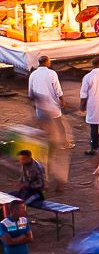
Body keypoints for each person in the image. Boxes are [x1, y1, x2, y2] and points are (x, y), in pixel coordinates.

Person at [26, 57, 68, 193]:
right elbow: (58, 89)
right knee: (56, 154)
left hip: (42, 118)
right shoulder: (52, 74)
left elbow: (30, 93)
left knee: (45, 155)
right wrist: (61, 100)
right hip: (54, 114)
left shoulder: (33, 75)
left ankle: (46, 181)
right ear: (47, 62)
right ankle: (58, 181)